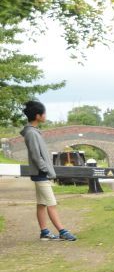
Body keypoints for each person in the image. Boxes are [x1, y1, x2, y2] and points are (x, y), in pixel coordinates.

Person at [21, 101, 76, 241]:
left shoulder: (33, 132)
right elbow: (35, 155)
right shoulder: (32, 133)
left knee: (42, 203)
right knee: (52, 203)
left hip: (40, 173)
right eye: (44, 113)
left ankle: (44, 232)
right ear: (38, 116)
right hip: (40, 174)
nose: (45, 116)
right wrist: (45, 170)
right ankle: (62, 231)